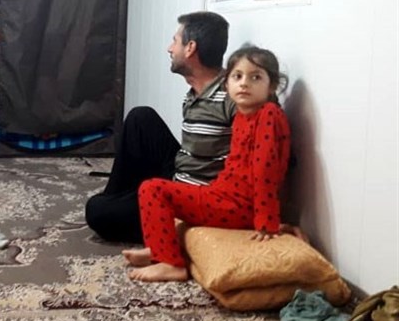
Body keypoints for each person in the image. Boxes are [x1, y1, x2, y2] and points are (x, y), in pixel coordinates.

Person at [125, 46, 291, 282]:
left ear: (271, 86)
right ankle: (159, 250)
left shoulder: (268, 114)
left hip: (238, 207)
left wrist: (266, 221)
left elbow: (266, 170)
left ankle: (171, 264)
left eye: (255, 77)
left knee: (152, 189)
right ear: (227, 84)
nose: (244, 83)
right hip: (223, 194)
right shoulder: (244, 115)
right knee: (157, 190)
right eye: (237, 77)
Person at [85, 11, 235, 243]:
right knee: (140, 117)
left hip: (198, 195)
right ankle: (116, 197)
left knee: (98, 212)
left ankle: (143, 215)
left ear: (190, 48)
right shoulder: (196, 92)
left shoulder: (234, 96)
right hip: (182, 171)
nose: (169, 48)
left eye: (175, 41)